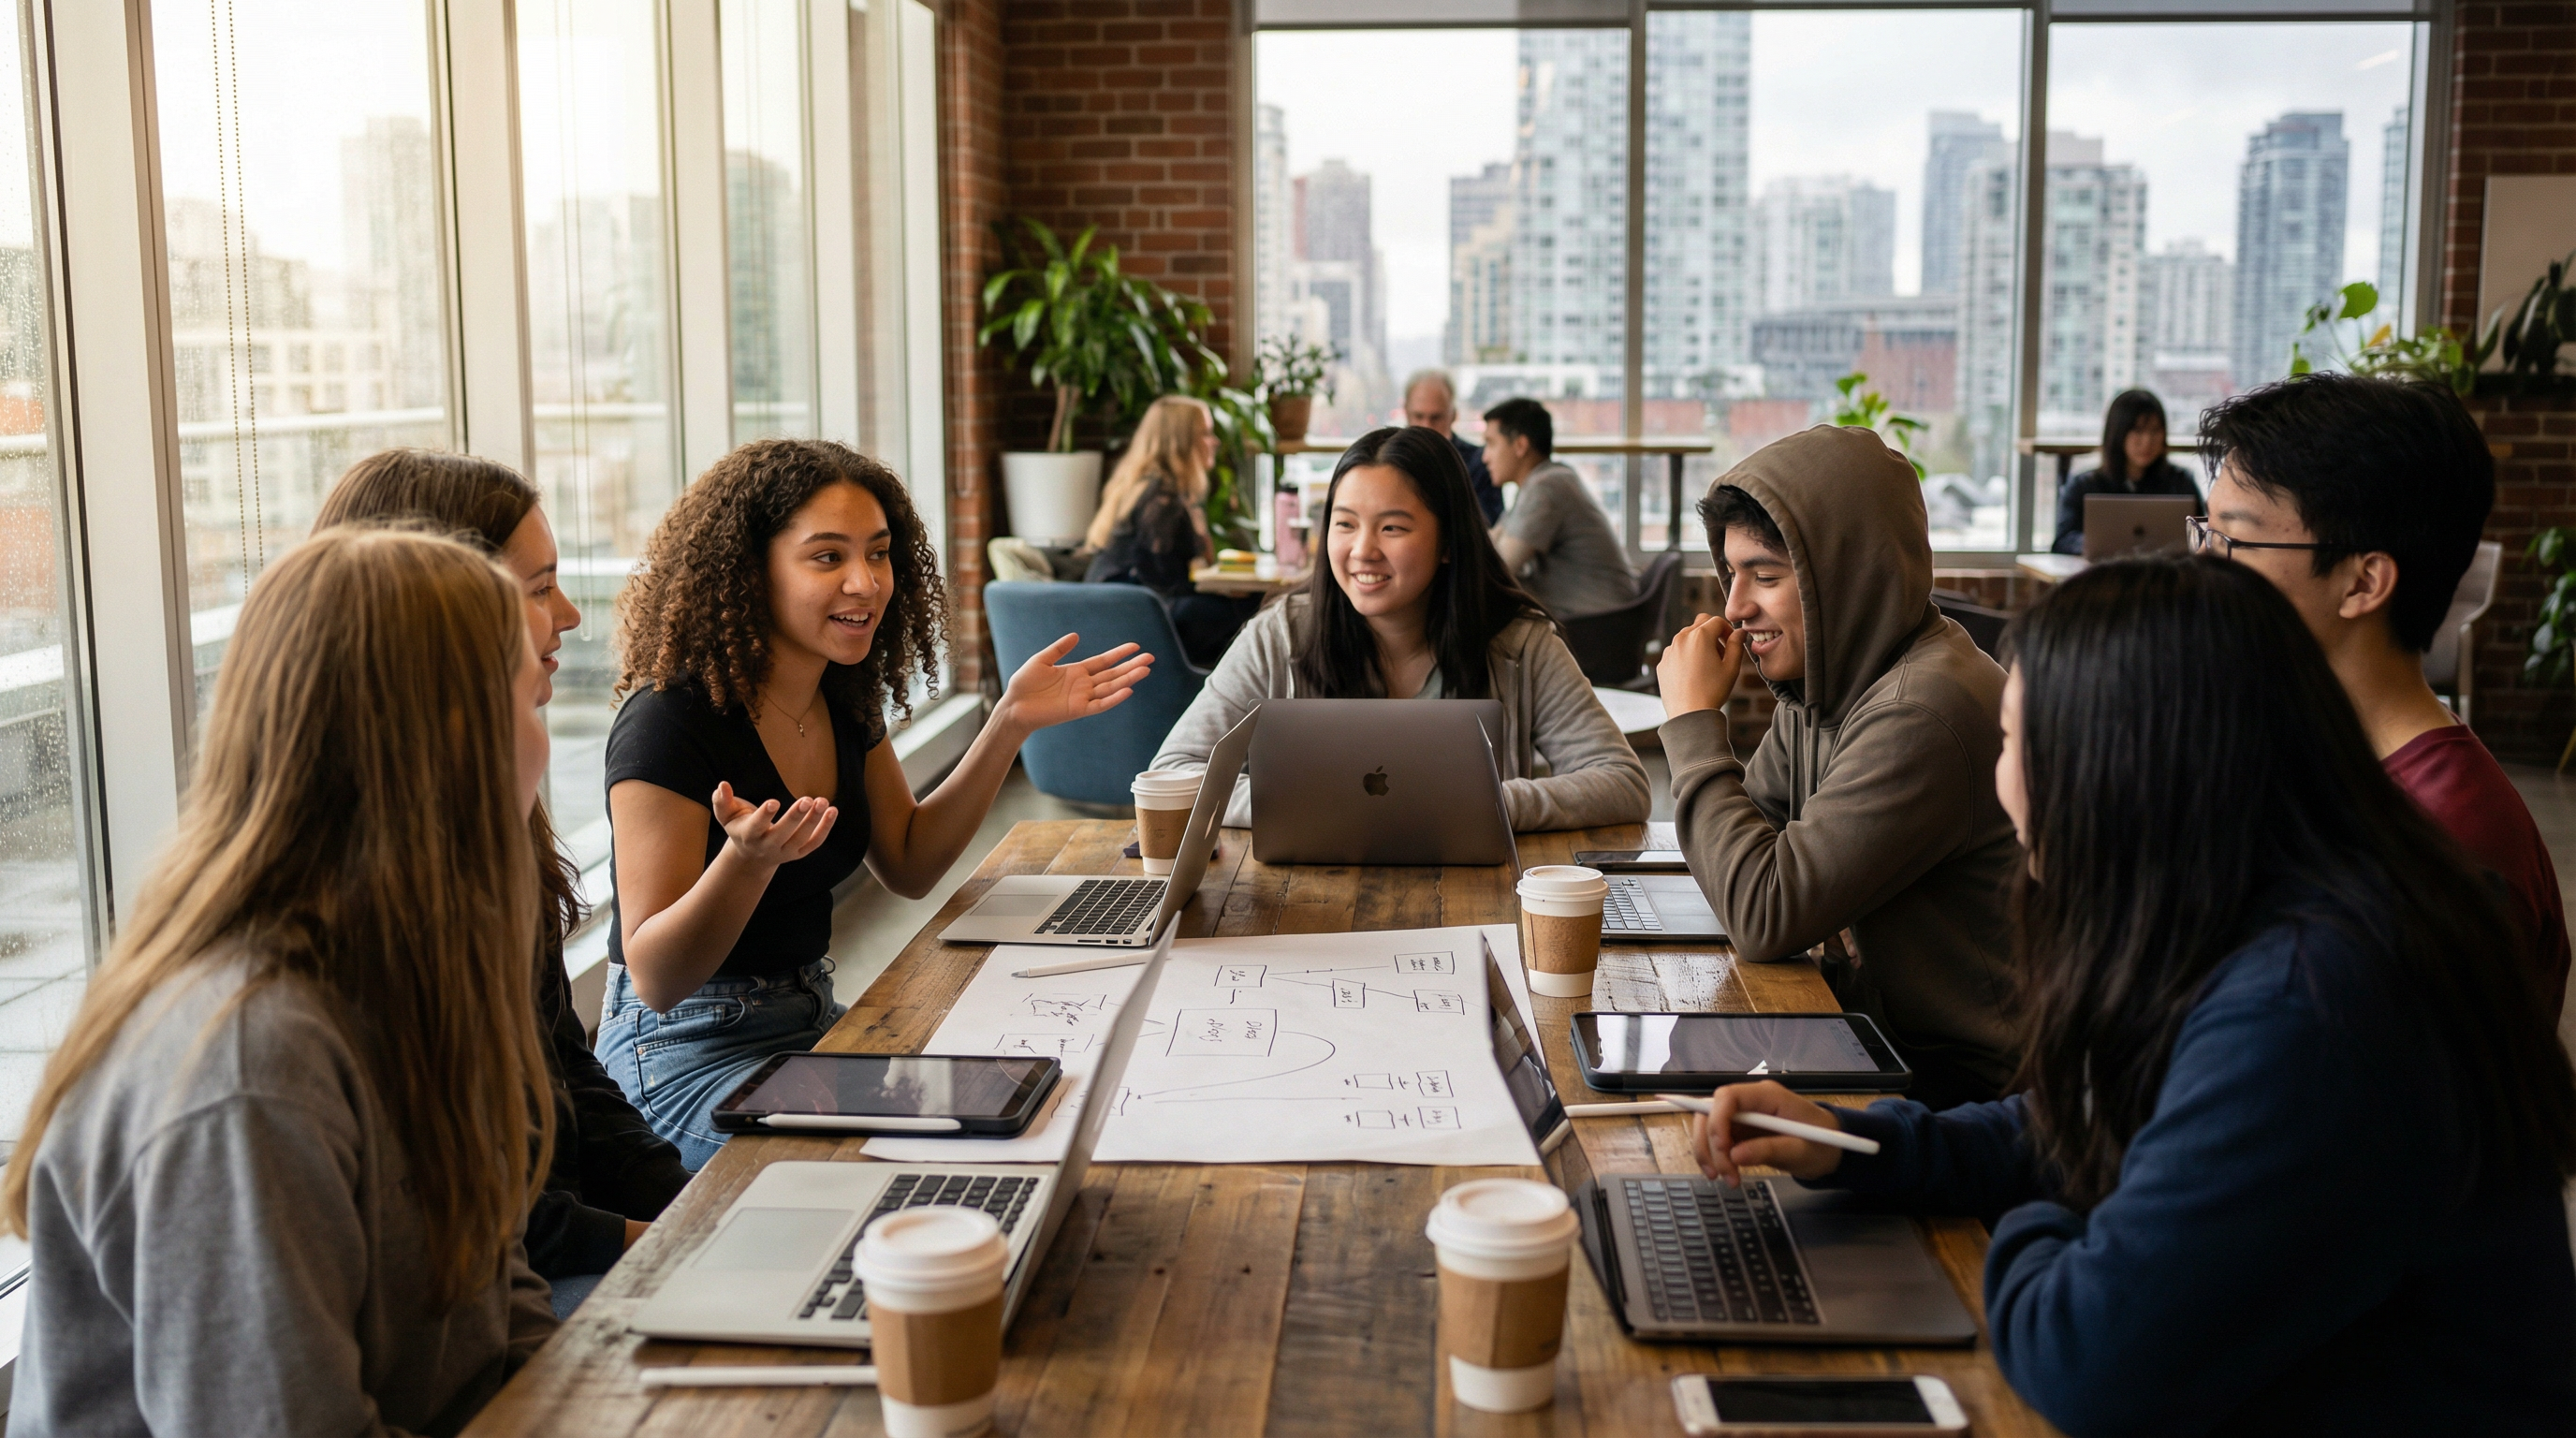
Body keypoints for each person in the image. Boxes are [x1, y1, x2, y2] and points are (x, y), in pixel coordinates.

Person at [1688, 556, 2576, 1436]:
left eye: (2019, 746)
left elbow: (2086, 1359)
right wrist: (1852, 1141)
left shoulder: (2312, 1008)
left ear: (2122, 772)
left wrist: (2078, 1205)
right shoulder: (2265, 910)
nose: (2006, 785)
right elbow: (2075, 1116)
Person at [4, 528, 561, 1435]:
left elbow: (500, 1313)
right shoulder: (249, 1066)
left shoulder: (406, 976)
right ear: (451, 743)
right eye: (533, 700)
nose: (544, 738)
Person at [600, 439, 1152, 1167]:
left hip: (809, 1020)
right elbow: (658, 978)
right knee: (883, 1161)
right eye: (827, 557)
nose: (865, 582)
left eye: (880, 553)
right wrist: (745, 863)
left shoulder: (839, 693)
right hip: (681, 1051)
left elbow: (909, 862)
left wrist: (1009, 722)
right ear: (749, 570)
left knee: (1032, 1104)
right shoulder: (669, 720)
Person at [312, 448, 688, 1316]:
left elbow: (568, 1066)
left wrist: (691, 1208)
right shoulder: (360, 907)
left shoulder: (495, 820)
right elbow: (466, 1214)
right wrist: (662, 1243)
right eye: (538, 586)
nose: (568, 615)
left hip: (528, 1263)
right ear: (438, 607)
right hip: (493, 1278)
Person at [1658, 425, 2020, 1108]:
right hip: (1874, 1033)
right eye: (1731, 574)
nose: (1735, 608)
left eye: (1764, 576)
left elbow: (1763, 913)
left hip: (1965, 1092)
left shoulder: (1923, 712)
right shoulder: (1829, 683)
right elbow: (1751, 839)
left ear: (1846, 577)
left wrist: (1691, 726)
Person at [2193, 374, 2569, 1017]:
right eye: (2204, 531)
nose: (2203, 566)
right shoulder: (2311, 751)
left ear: (2364, 582)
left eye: (2234, 541)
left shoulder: (2447, 843)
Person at [1150, 425, 1647, 831]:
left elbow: (1622, 782)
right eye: (1344, 525)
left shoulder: (1520, 644)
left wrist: (1488, 805)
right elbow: (1172, 774)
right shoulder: (1280, 637)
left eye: (1392, 528)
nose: (1362, 550)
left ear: (1449, 542)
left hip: (1475, 906)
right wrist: (1305, 808)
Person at [1081, 395, 1259, 666]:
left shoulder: (1146, 488)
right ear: (1180, 442)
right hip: (1136, 624)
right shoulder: (1161, 499)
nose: (1215, 442)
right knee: (1258, 610)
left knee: (1246, 608)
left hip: (1112, 620)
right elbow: (1164, 583)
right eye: (1206, 434)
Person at [1482, 397, 1636, 619]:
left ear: (1520, 445)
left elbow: (1500, 569)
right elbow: (1492, 542)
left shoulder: (1547, 487)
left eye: (1491, 443)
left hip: (1598, 624)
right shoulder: (1543, 481)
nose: (1484, 457)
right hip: (1600, 617)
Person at [2048, 388, 2203, 555]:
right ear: (2118, 433)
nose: (2147, 441)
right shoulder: (2085, 485)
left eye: (2155, 431)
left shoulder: (2180, 482)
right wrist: (2096, 544)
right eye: (2138, 431)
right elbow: (2062, 540)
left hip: (2166, 575)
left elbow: (2202, 536)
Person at [1402, 368, 1503, 524]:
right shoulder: (1389, 460)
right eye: (1419, 416)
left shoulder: (1482, 462)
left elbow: (1489, 524)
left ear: (1453, 415)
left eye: (1436, 417)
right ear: (1406, 414)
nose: (1426, 426)